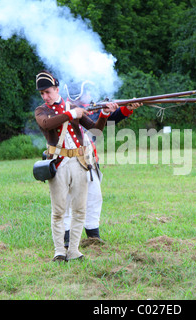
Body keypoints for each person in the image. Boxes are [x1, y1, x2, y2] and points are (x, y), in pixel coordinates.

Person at [34, 70, 119, 262]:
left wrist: (105, 114)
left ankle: (73, 250)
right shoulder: (42, 110)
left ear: (56, 89)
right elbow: (47, 124)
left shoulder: (71, 106)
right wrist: (71, 113)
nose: (45, 96)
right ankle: (59, 250)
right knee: (59, 210)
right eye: (42, 94)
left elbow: (95, 129)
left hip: (80, 162)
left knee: (80, 209)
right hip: (59, 163)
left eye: (48, 92)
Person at [63, 83, 142, 247]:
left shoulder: (89, 109)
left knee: (94, 198)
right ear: (77, 96)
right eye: (87, 93)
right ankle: (66, 240)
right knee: (68, 202)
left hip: (90, 161)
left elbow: (108, 118)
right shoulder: (65, 111)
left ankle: (93, 238)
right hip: (68, 162)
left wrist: (126, 108)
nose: (90, 95)